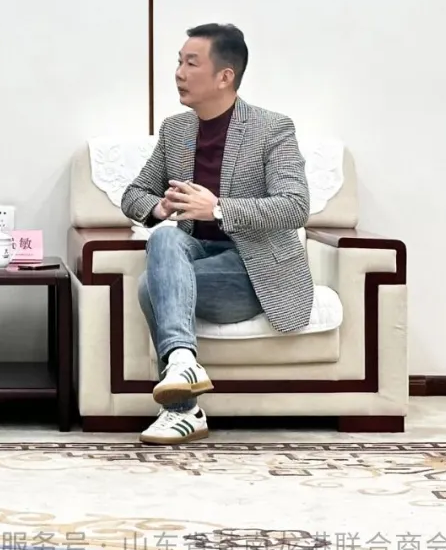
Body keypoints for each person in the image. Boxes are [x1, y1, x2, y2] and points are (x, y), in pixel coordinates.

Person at [121, 24, 312, 445]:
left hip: (253, 272)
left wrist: (219, 209)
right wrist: (161, 207)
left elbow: (295, 206)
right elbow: (133, 195)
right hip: (195, 257)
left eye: (191, 64)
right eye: (178, 62)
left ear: (225, 76)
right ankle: (184, 367)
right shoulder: (176, 131)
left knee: (151, 286)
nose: (179, 73)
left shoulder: (272, 128)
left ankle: (182, 408)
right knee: (164, 238)